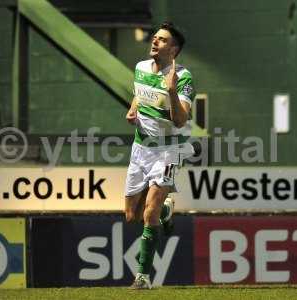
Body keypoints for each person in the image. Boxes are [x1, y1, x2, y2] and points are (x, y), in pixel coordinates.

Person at [124, 21, 196, 289]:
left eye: (162, 40)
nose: (155, 42)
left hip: (168, 150)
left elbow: (180, 120)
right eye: (155, 37)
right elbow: (139, 96)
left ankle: (142, 277)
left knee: (149, 213)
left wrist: (172, 89)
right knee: (131, 215)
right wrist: (132, 110)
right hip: (141, 148)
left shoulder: (184, 77)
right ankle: (166, 212)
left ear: (173, 49)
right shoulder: (141, 68)